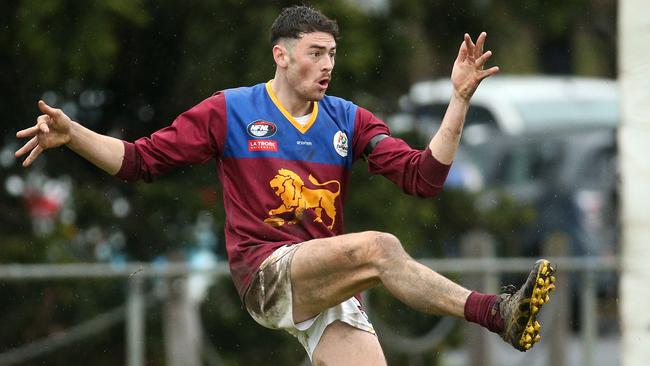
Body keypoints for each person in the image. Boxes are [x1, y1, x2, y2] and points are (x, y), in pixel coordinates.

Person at [16, 5, 556, 365]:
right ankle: (495, 312)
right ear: (282, 54)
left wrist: (459, 100)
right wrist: (75, 133)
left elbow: (424, 178)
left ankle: (498, 314)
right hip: (266, 272)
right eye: (315, 53)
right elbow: (138, 161)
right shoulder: (230, 110)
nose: (327, 66)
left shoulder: (348, 118)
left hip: (323, 280)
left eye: (332, 55)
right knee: (380, 247)